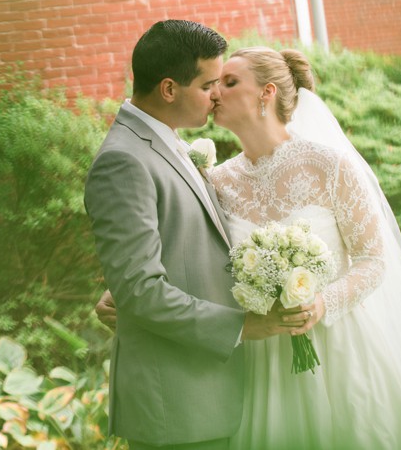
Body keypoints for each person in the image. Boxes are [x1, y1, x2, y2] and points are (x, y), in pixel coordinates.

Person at [206, 46, 401, 449]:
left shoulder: (328, 165)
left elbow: (372, 260)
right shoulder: (217, 182)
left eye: (229, 82)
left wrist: (321, 304)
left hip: (343, 348)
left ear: (266, 93)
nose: (214, 93)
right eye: (214, 84)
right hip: (267, 362)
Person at [85, 23, 313, 450]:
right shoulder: (123, 160)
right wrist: (245, 325)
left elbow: (166, 252)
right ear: (169, 89)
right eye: (209, 84)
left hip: (207, 396)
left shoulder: (163, 141)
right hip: (177, 407)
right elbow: (141, 289)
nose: (217, 95)